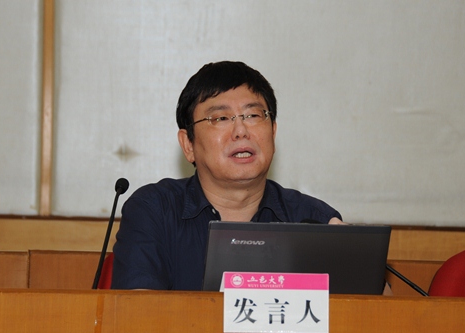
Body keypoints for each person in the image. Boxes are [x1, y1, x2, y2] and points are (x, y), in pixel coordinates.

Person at [111, 61, 343, 291]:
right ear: (188, 144)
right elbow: (137, 310)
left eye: (253, 115)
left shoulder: (315, 221)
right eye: (221, 118)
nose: (241, 131)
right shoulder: (154, 212)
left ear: (273, 132)